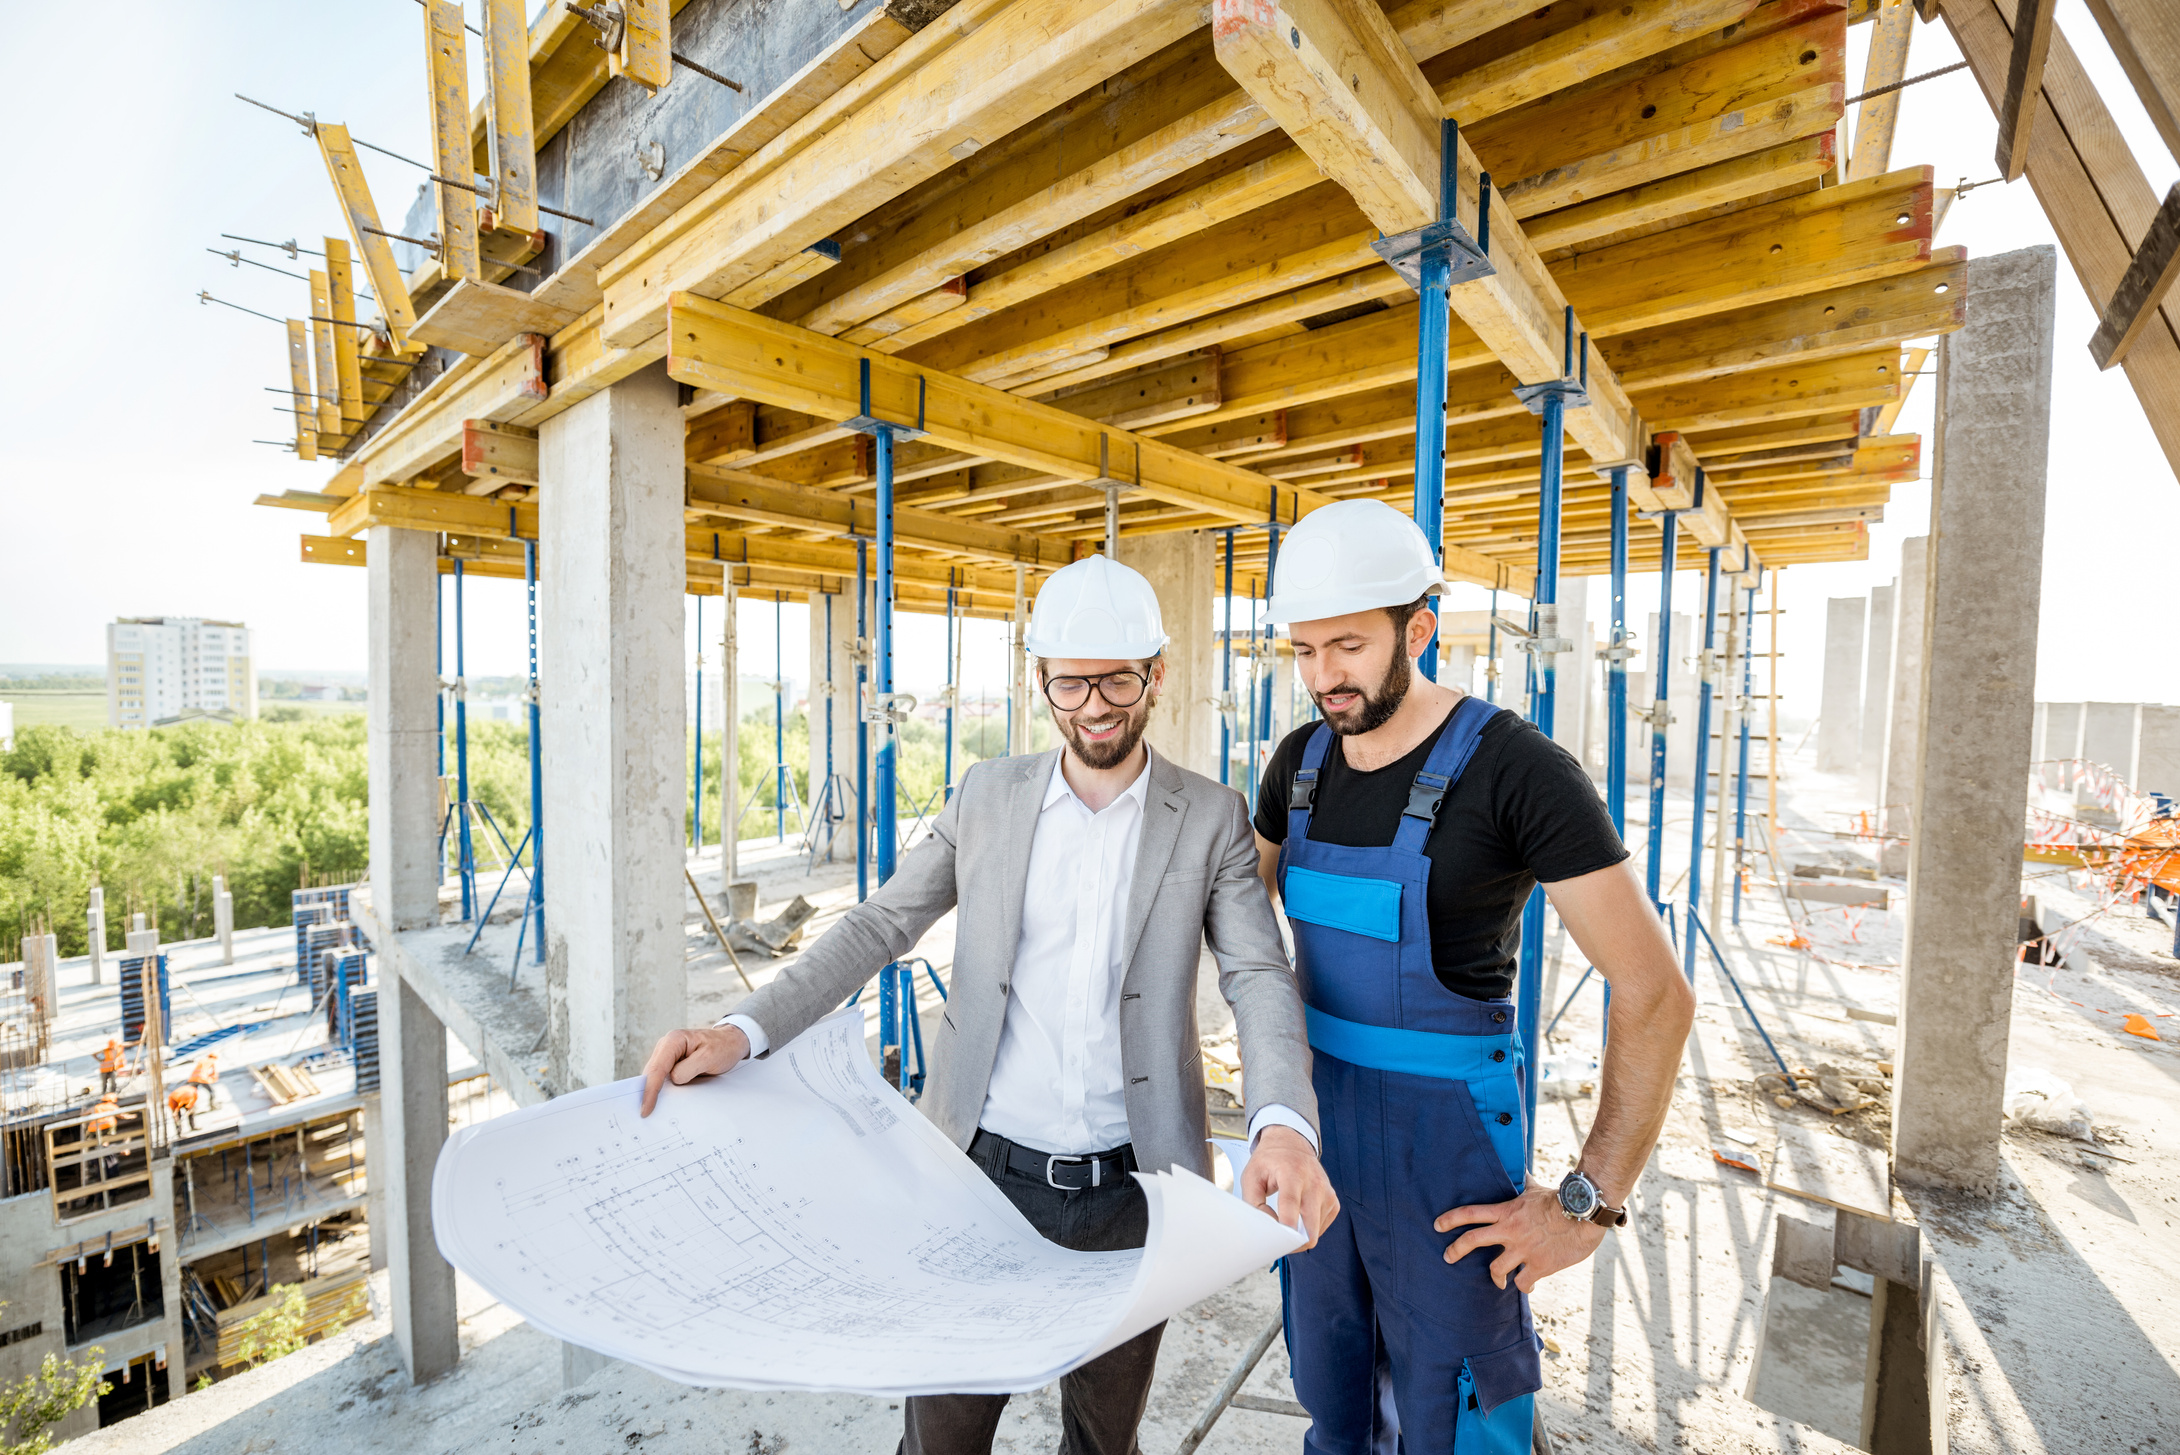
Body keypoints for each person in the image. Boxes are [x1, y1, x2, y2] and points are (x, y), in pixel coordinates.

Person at [641, 553, 1339, 1455]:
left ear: (1157, 675)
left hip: (1135, 1195)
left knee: (1102, 1441)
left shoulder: (1208, 816)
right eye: (1070, 684)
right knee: (942, 1436)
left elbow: (1257, 972)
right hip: (975, 1179)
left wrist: (1283, 1120)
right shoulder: (987, 797)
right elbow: (882, 923)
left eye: (1118, 680)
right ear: (1039, 679)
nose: (1095, 706)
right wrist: (744, 1028)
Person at [1253, 500, 1696, 1455]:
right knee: (1331, 1387)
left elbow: (1656, 991)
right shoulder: (1296, 766)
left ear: (1420, 629)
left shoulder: (1517, 771)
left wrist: (1588, 1202)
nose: (1324, 676)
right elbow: (1242, 931)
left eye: (1348, 646)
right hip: (1317, 1136)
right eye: (1304, 651)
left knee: (1456, 1411)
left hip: (1444, 1160)